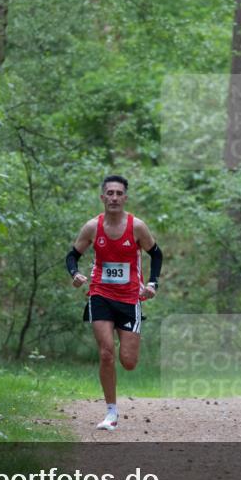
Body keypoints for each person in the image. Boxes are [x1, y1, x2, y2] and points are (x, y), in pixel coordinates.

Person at [65, 175, 163, 431]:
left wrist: (152, 283)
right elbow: (73, 255)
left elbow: (156, 253)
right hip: (100, 294)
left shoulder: (137, 227)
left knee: (128, 361)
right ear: (103, 197)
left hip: (130, 297)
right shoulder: (92, 227)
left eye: (119, 193)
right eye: (110, 193)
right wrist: (75, 274)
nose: (114, 198)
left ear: (125, 198)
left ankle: (127, 347)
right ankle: (111, 412)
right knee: (106, 352)